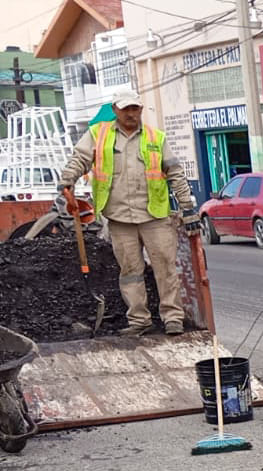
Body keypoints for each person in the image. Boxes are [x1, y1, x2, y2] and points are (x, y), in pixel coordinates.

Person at [56, 89, 201, 336]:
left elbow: (175, 172)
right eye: (126, 109)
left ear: (141, 110)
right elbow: (80, 158)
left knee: (165, 268)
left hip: (155, 215)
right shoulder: (98, 134)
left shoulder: (156, 137)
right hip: (119, 216)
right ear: (115, 110)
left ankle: (173, 318)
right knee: (130, 271)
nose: (131, 113)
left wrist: (187, 207)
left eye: (135, 109)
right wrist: (67, 179)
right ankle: (139, 320)